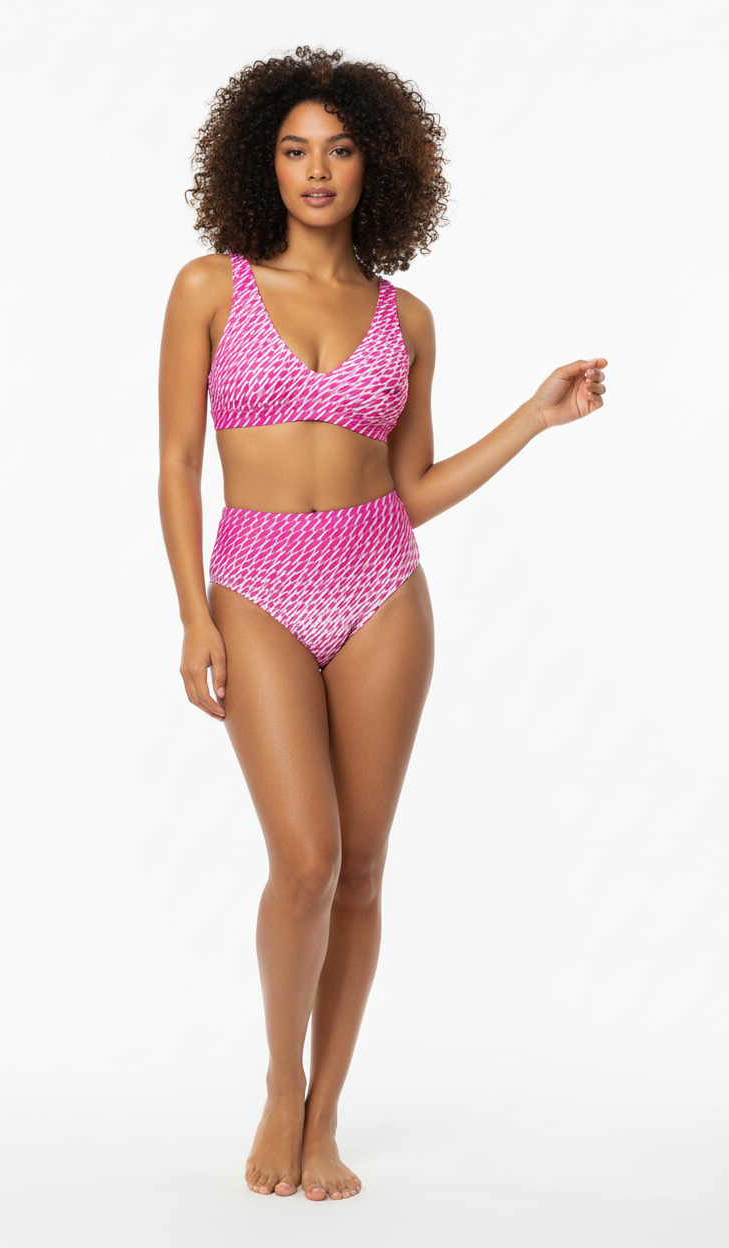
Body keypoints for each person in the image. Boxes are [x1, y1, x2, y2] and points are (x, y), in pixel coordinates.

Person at [157, 46, 606, 1203]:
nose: (316, 170)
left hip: (380, 588)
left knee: (359, 869)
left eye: (340, 149)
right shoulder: (209, 288)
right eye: (294, 149)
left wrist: (534, 418)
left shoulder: (406, 318)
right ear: (262, 163)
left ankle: (326, 1116)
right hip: (254, 585)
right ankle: (280, 1085)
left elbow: (410, 489)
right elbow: (176, 464)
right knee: (303, 859)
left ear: (376, 165)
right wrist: (192, 616)